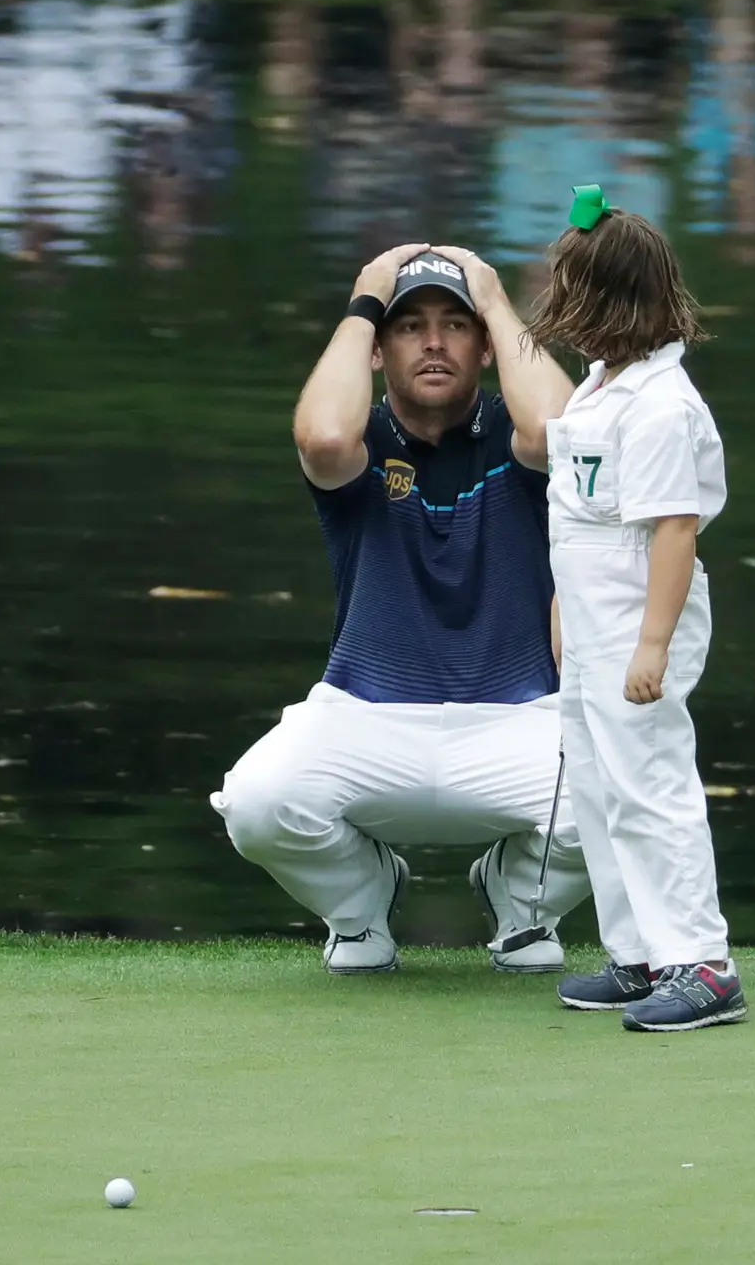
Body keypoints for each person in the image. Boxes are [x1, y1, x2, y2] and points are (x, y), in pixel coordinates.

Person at [212, 244, 590, 974]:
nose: (436, 342)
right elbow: (322, 436)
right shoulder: (362, 443)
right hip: (364, 713)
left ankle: (520, 904)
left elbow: (557, 433)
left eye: (456, 325)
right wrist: (363, 300)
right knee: (258, 805)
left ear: (485, 346)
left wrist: (495, 295)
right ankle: (362, 907)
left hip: (519, 718)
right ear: (379, 350)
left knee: (618, 799)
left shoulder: (519, 444)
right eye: (410, 326)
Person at [529, 188, 743, 1031]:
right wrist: (561, 609)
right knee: (598, 785)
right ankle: (640, 953)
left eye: (570, 294)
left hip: (636, 616)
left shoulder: (660, 407)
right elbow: (580, 515)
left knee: (648, 784)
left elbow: (672, 531)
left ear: (609, 303)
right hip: (590, 617)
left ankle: (701, 959)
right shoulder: (599, 388)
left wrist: (652, 644)